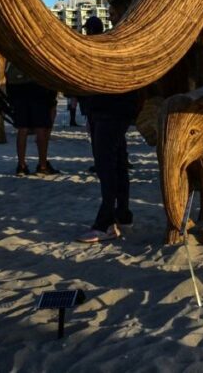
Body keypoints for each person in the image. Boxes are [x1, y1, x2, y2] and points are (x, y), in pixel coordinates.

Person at [77, 16, 140, 243]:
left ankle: (106, 224)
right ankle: (123, 215)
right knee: (118, 164)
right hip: (113, 112)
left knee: (107, 167)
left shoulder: (102, 50)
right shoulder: (118, 47)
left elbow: (92, 85)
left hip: (108, 112)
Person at [5, 61, 61, 177]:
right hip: (38, 89)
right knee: (41, 128)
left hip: (18, 89)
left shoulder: (16, 51)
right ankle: (42, 165)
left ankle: (21, 166)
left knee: (22, 129)